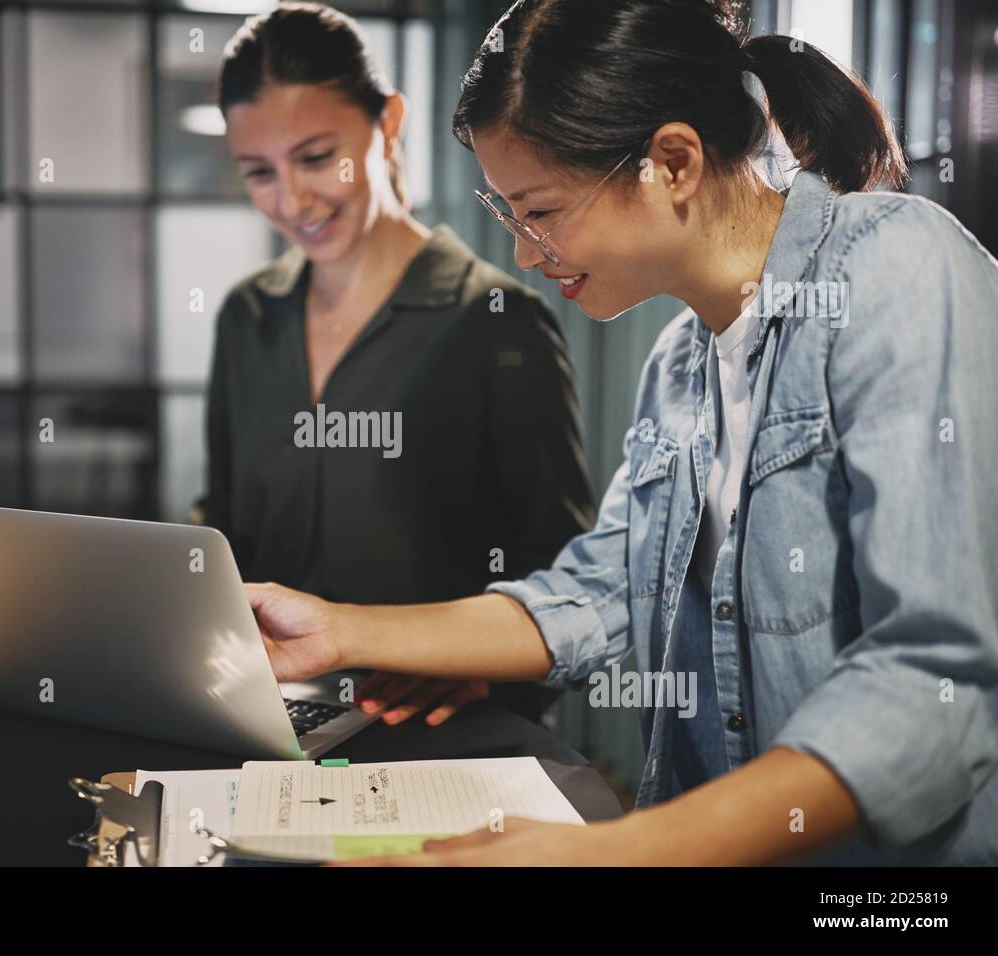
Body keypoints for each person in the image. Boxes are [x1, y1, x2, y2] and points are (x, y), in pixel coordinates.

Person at [245, 0, 998, 865]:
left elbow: (936, 681)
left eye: (542, 211)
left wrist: (623, 852)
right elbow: (601, 593)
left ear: (671, 162)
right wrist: (341, 630)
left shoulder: (898, 271)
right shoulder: (679, 366)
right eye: (509, 216)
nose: (527, 253)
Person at [202, 2, 595, 728]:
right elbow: (224, 533)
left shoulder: (495, 323)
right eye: (259, 172)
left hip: (439, 731)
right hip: (264, 719)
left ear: (388, 124)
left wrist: (477, 675)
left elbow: (567, 577)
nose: (292, 200)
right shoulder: (246, 318)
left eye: (317, 158)